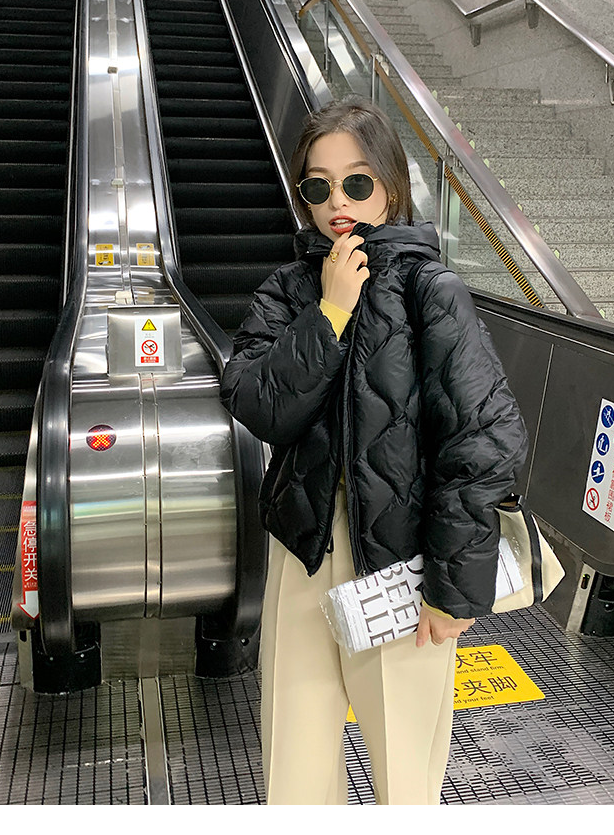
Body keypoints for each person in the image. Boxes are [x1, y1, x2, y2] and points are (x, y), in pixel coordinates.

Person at [219, 99, 528, 806]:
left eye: (357, 183)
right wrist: (329, 312)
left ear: (390, 185)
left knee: (404, 784)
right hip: (303, 554)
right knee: (293, 780)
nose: (338, 202)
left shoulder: (430, 290)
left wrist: (454, 590)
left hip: (403, 568)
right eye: (318, 185)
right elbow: (257, 404)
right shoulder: (291, 289)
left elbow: (483, 440)